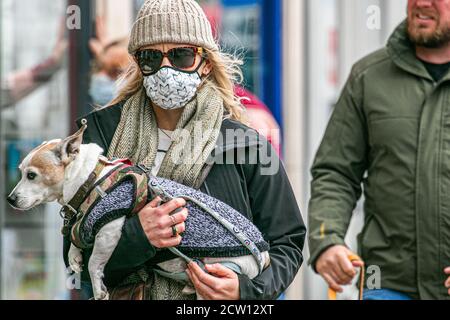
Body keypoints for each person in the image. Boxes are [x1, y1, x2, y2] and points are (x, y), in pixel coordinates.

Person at [67, 0, 305, 300]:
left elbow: (287, 241)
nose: (166, 68)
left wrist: (244, 292)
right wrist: (139, 237)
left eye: (181, 55)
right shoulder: (102, 136)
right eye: (151, 57)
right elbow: (74, 254)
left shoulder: (246, 144)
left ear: (205, 62)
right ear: (138, 64)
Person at [308, 0, 450, 300]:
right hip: (385, 286)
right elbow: (335, 173)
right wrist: (327, 240)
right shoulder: (368, 76)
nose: (421, 3)